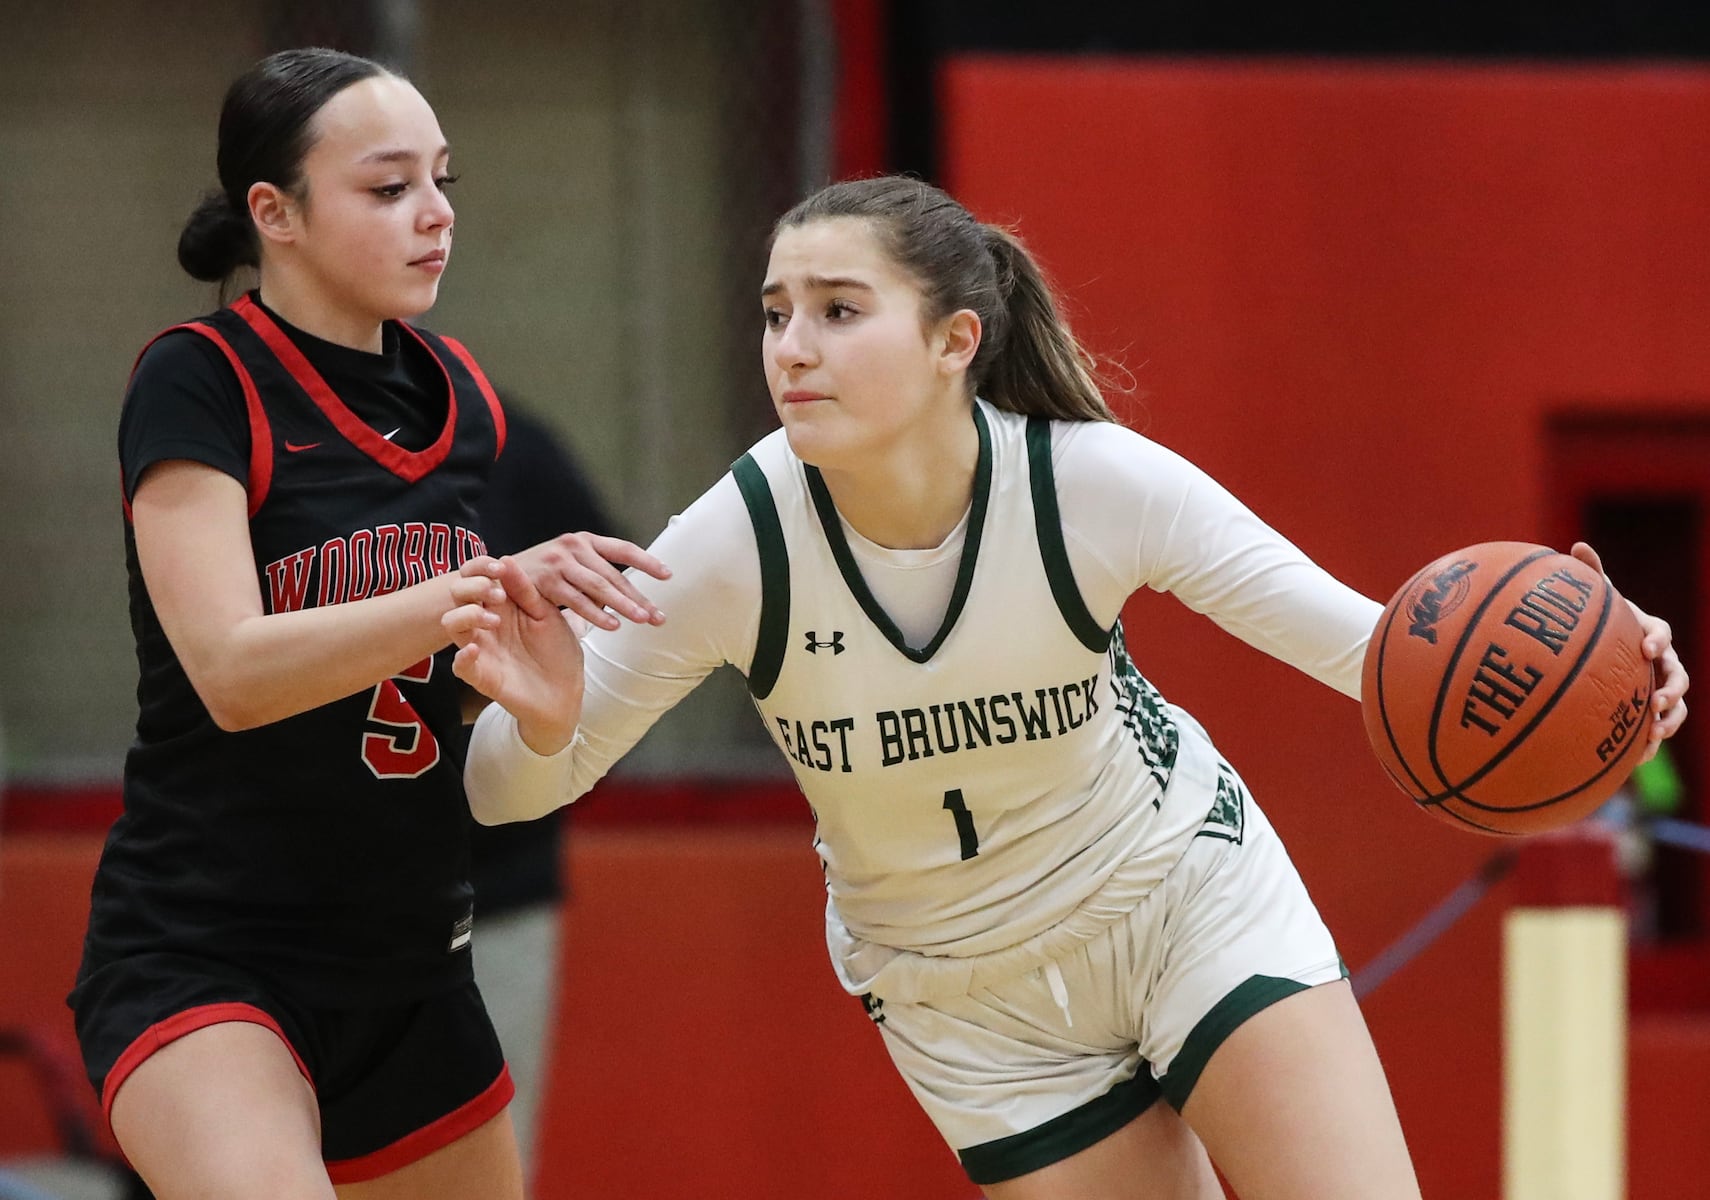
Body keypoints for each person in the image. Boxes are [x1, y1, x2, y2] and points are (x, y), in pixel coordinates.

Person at [446, 175, 1691, 1199]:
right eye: (776, 313)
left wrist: (1600, 675)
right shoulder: (737, 540)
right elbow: (503, 794)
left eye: (837, 310)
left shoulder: (1095, 485)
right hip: (962, 996)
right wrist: (547, 719)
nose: (792, 349)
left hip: (1176, 893)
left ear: (954, 341)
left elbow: (1372, 653)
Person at [67, 48, 664, 1200]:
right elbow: (231, 673)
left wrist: (540, 714)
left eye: (444, 182)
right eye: (390, 188)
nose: (436, 216)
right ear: (274, 212)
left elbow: (450, 704)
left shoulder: (469, 400)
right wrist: (465, 595)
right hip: (210, 954)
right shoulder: (197, 379)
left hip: (412, 963)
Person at [467, 399, 619, 1178]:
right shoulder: (273, 442)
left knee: (493, 1157)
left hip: (500, 887)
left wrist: (557, 760)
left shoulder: (511, 447)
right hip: (328, 891)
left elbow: (625, 623)